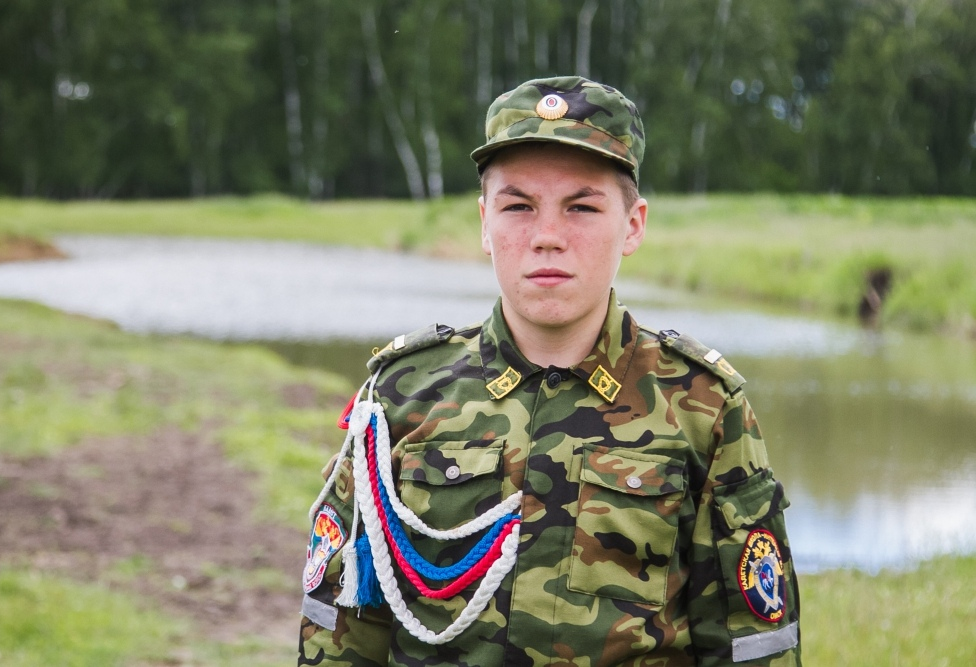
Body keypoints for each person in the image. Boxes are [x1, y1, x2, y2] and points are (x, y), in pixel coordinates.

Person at [297, 76, 801, 666]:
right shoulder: (400, 396)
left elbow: (753, 644)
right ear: (484, 223)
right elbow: (340, 630)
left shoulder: (704, 408)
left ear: (633, 225)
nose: (547, 238)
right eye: (518, 207)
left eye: (582, 207)